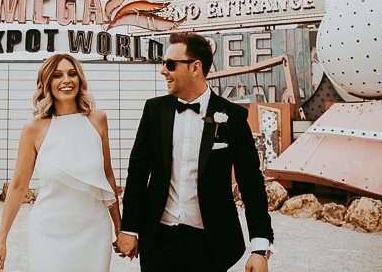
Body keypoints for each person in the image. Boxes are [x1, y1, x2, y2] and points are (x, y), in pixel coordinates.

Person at [116, 32, 274, 272]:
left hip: (210, 244)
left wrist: (259, 248)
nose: (163, 71)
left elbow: (251, 183)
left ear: (195, 67)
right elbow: (137, 173)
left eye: (170, 64)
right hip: (158, 241)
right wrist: (129, 228)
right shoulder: (154, 110)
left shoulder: (232, 116)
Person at [0, 54, 121, 272]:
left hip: (95, 230)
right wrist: (1, 241)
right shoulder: (33, 128)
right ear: (47, 82)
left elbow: (107, 175)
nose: (66, 80)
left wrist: (119, 227)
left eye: (72, 74)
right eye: (57, 75)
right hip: (49, 231)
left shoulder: (98, 119)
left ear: (80, 79)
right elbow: (18, 186)